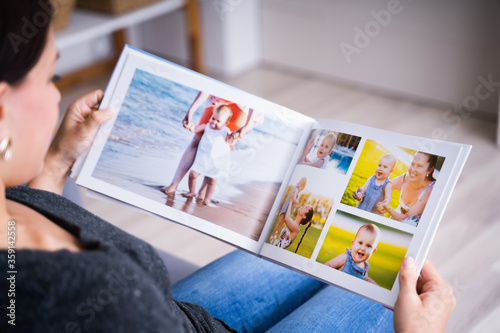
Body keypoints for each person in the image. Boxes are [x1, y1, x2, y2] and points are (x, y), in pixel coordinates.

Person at [0, 2, 455, 331]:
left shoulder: (10, 203)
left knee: (327, 265)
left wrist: (58, 160)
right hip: (157, 314)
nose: (58, 95)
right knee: (395, 291)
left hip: (173, 312)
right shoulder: (80, 295)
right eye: (51, 77)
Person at [162, 91, 258, 195]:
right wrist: (191, 110)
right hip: (219, 95)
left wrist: (247, 125)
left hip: (246, 104)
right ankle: (174, 185)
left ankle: (203, 191)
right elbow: (205, 87)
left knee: (225, 145)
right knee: (197, 139)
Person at [182, 105, 232, 205]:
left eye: (218, 121)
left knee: (212, 181)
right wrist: (190, 126)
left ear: (226, 123)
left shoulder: (226, 131)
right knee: (193, 175)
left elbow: (230, 141)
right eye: (213, 118)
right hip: (202, 158)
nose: (214, 122)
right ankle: (191, 191)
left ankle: (207, 198)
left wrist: (234, 136)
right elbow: (196, 129)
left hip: (216, 161)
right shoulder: (207, 126)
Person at [378, 151, 437, 227]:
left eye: (419, 166)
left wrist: (387, 208)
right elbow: (381, 189)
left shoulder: (431, 191)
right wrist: (362, 191)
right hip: (398, 216)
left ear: (430, 170)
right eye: (412, 164)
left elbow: (407, 218)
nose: (413, 169)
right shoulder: (404, 179)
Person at [269, 177, 307, 244]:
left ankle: (275, 236)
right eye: (303, 188)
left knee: (281, 223)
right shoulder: (297, 188)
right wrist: (298, 202)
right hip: (286, 208)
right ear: (302, 185)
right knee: (279, 223)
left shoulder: (296, 187)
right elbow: (294, 199)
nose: (301, 190)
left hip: (287, 208)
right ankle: (273, 236)